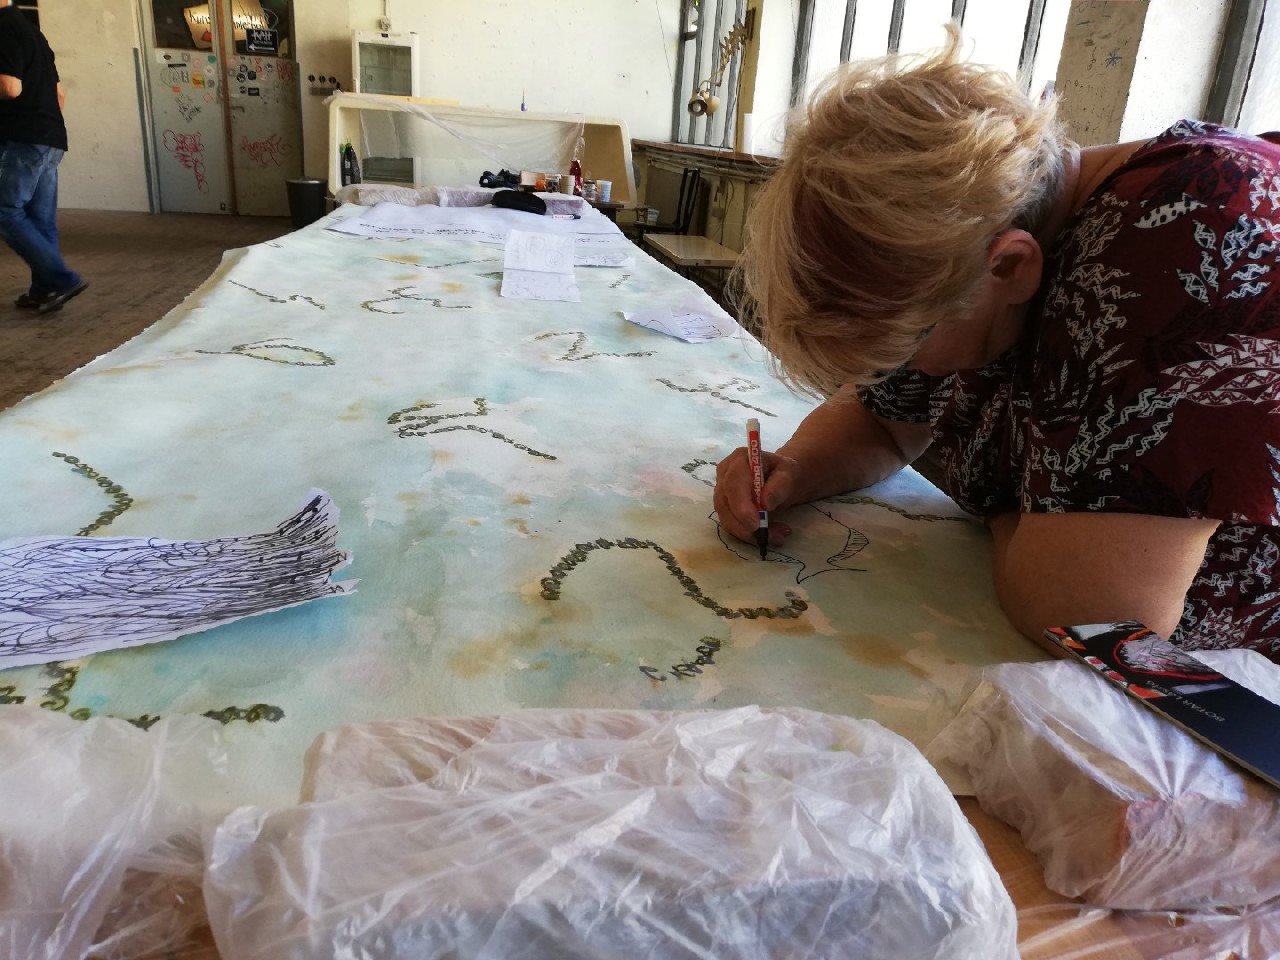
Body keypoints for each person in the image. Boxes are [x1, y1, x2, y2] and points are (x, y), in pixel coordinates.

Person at [714, 25, 1280, 662]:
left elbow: (1095, 620)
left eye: (902, 349)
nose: (895, 371)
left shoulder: (1191, 235)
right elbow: (882, 419)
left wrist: (1003, 512)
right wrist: (795, 468)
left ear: (1011, 268)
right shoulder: (967, 243)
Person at [0, 0, 86, 313]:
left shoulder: (4, 29)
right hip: (49, 138)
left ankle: (62, 279)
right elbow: (59, 93)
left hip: (23, 139)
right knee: (41, 220)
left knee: (5, 212)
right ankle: (44, 288)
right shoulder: (33, 33)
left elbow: (10, 88)